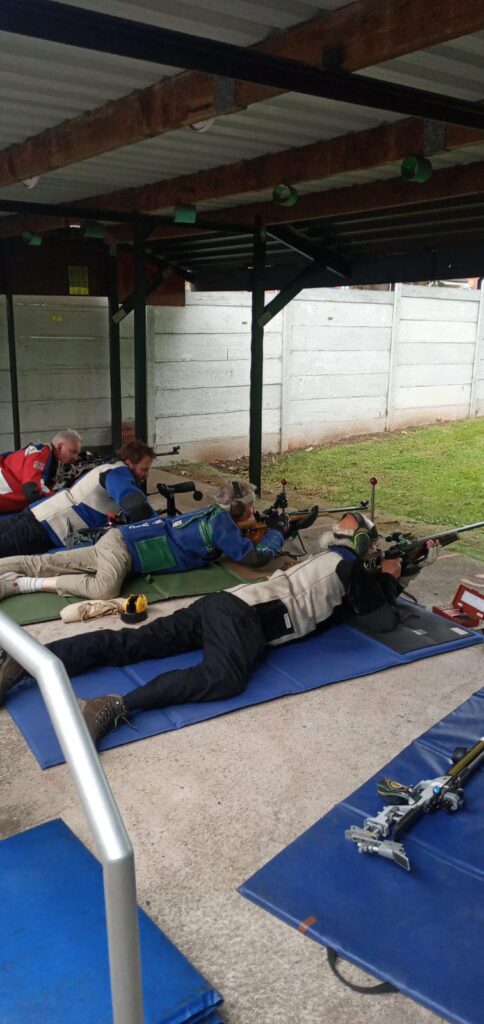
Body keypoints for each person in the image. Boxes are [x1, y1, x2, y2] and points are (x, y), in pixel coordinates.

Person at [0, 514, 439, 741]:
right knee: (223, 678)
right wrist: (394, 576)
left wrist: (398, 572)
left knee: (133, 642)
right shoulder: (346, 567)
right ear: (362, 546)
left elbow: (347, 608)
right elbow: (381, 618)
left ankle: (29, 662)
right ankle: (113, 705)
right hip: (245, 619)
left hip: (220, 606)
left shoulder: (326, 562)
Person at [0, 480, 286, 602]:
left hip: (119, 540)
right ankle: (25, 585)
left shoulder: (214, 515)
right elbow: (255, 559)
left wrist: (254, 530)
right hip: (123, 551)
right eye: (250, 506)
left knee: (46, 561)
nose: (253, 511)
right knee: (104, 591)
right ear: (237, 508)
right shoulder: (223, 524)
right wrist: (277, 533)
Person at [0, 439, 156, 557]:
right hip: (45, 527)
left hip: (38, 516)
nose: (147, 474)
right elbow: (136, 507)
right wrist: (161, 525)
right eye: (144, 469)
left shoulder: (109, 468)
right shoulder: (118, 472)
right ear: (129, 463)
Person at [0, 429, 82, 514]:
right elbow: (31, 489)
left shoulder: (51, 462)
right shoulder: (40, 453)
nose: (76, 457)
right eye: (73, 452)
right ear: (59, 447)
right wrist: (62, 503)